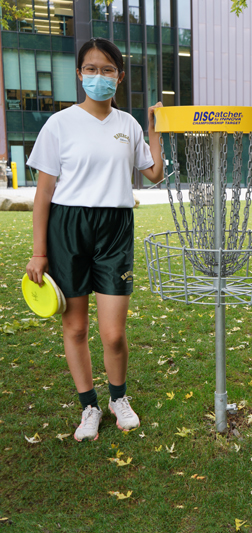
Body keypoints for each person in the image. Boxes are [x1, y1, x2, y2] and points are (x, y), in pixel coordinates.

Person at [26, 38, 164, 441]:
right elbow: (43, 195)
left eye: (107, 70)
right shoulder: (60, 124)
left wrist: (155, 129)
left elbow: (153, 173)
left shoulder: (128, 125)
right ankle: (89, 406)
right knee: (74, 328)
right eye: (91, 69)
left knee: (114, 333)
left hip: (115, 228)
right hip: (67, 228)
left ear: (119, 78)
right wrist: (39, 252)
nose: (98, 76)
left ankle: (118, 399)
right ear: (79, 74)